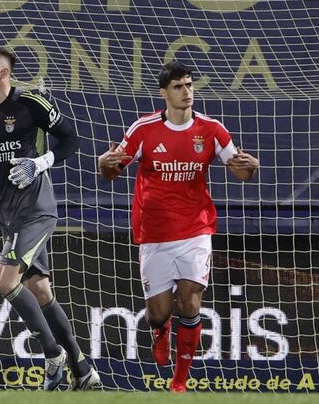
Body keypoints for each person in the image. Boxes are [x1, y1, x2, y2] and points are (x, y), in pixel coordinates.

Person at [0, 46, 101, 390]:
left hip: (38, 210)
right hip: (9, 215)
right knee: (40, 291)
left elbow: (71, 139)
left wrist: (39, 163)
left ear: (4, 72)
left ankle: (52, 353)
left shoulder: (30, 103)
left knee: (4, 282)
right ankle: (84, 371)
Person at [97, 60, 259, 393]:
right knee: (158, 312)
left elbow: (241, 172)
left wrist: (252, 166)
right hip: (154, 233)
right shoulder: (143, 130)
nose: (187, 92)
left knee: (190, 303)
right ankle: (160, 330)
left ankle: (180, 380)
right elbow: (113, 170)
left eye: (189, 85)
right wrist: (104, 163)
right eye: (178, 87)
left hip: (195, 230)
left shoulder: (211, 129)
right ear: (164, 93)